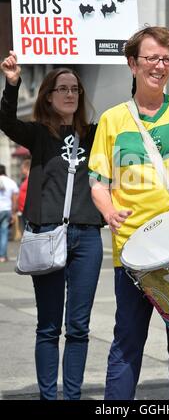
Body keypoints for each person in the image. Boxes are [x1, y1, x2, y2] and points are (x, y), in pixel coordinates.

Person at [88, 26, 169, 400]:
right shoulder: (114, 120)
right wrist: (109, 211)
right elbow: (97, 181)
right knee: (128, 342)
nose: (160, 66)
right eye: (152, 58)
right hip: (134, 252)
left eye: (166, 59)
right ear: (132, 64)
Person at [0, 51, 104, 400]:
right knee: (48, 327)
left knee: (79, 327)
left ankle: (71, 396)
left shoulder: (96, 133)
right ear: (48, 95)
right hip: (46, 235)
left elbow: (131, 119)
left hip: (87, 236)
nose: (70, 94)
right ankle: (49, 397)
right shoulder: (39, 134)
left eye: (75, 88)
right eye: (62, 88)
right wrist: (12, 84)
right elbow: (6, 121)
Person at [0, 164, 19, 262]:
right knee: (4, 233)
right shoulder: (11, 182)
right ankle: (2, 256)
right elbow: (15, 199)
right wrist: (13, 212)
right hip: (6, 209)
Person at [18, 158, 31, 232]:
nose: (21, 170)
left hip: (27, 211)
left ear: (26, 167)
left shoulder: (30, 178)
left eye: (22, 168)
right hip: (24, 210)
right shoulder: (26, 179)